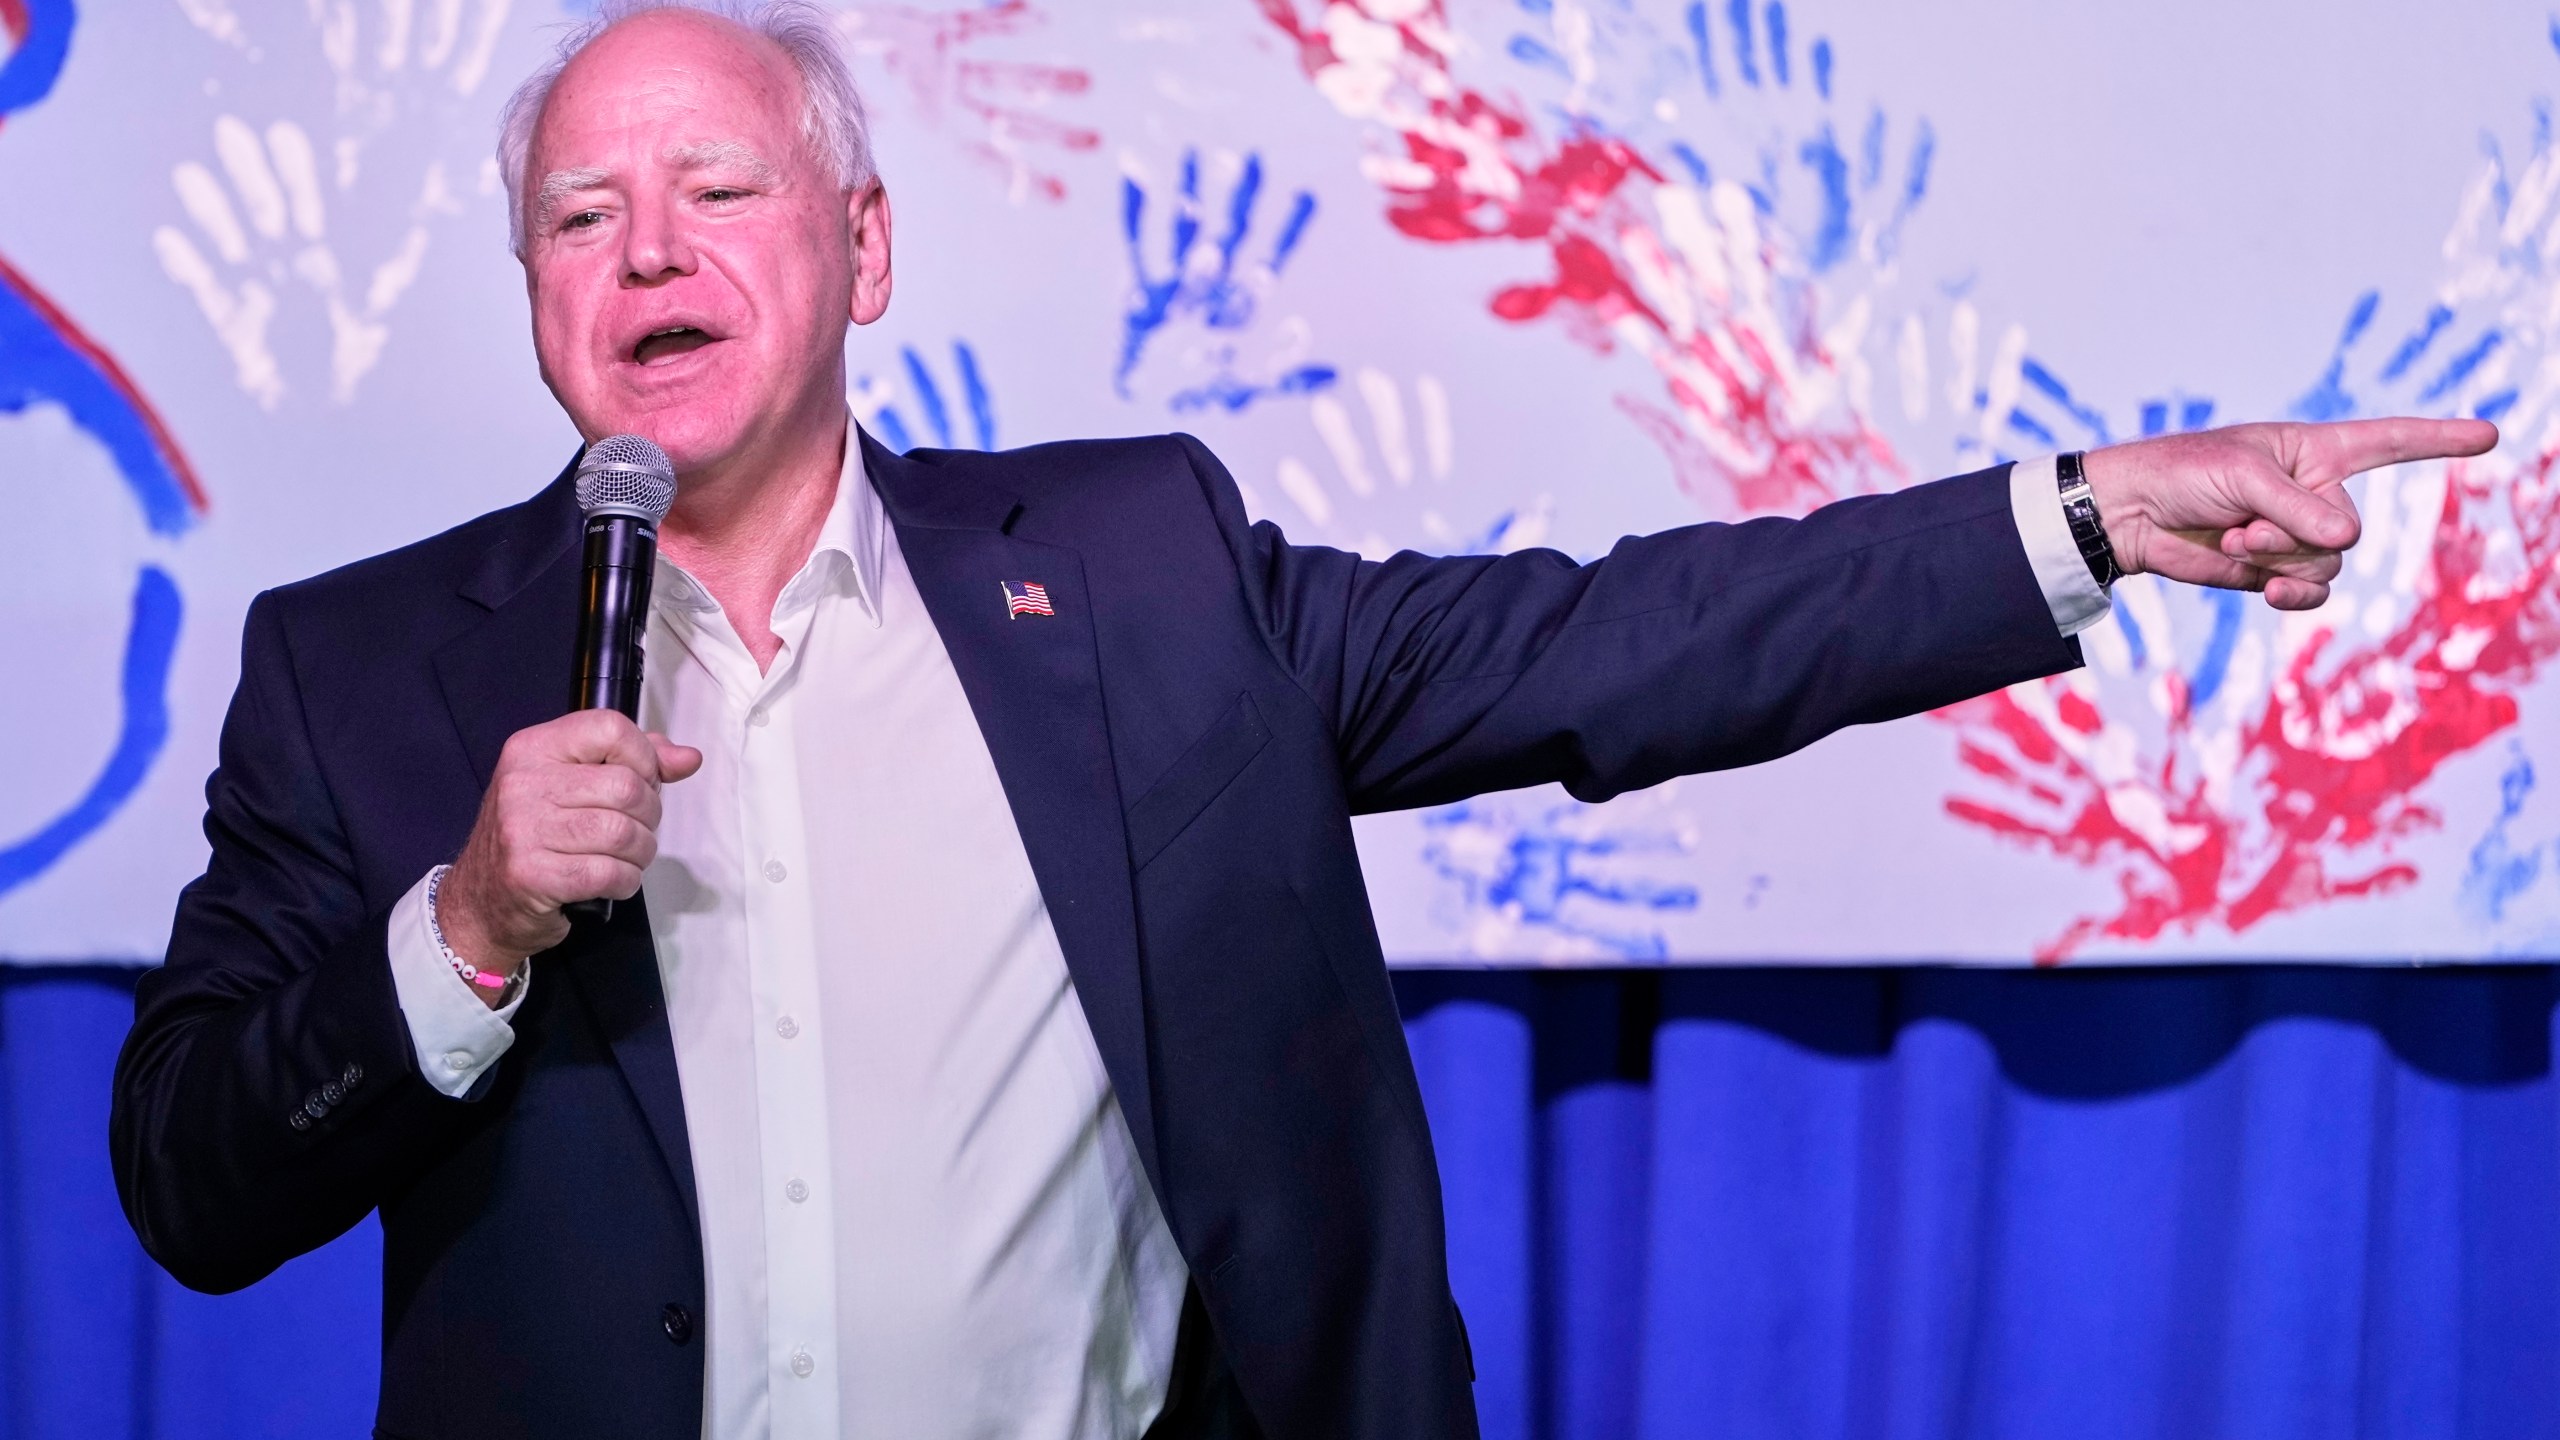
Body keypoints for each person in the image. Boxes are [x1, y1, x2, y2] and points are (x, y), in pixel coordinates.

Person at [107, 3, 2495, 1437]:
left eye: (716, 188)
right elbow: (192, 1185)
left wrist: (2071, 512)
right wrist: (467, 924)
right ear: (530, 292)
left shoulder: (1134, 575)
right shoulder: (362, 665)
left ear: (861, 249)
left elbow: (1618, 642)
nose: (646, 251)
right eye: (577, 214)